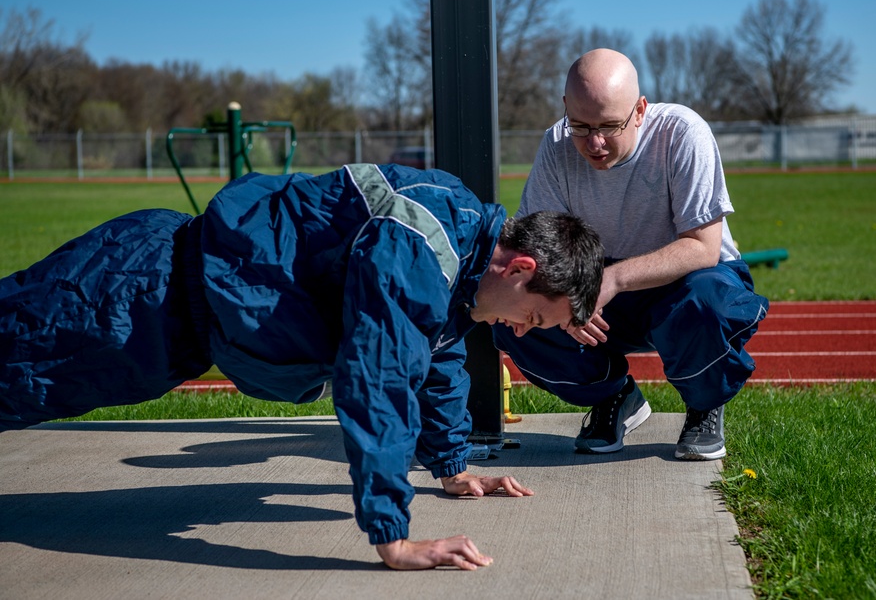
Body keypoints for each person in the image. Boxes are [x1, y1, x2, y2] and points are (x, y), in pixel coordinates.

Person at [0, 163, 604, 571]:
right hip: (137, 293)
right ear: (521, 268)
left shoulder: (463, 254)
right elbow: (380, 377)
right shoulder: (424, 244)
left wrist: (451, 467)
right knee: (15, 375)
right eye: (537, 318)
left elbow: (437, 356)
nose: (522, 331)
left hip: (177, 322)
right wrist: (393, 539)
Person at [494, 48, 769, 461]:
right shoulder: (556, 144)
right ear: (565, 108)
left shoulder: (682, 133)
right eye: (581, 126)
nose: (595, 143)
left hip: (688, 278)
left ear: (640, 110)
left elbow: (702, 246)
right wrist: (560, 299)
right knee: (516, 314)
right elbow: (536, 247)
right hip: (598, 287)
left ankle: (704, 404)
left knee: (709, 303)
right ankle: (614, 395)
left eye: (609, 126)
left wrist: (612, 279)